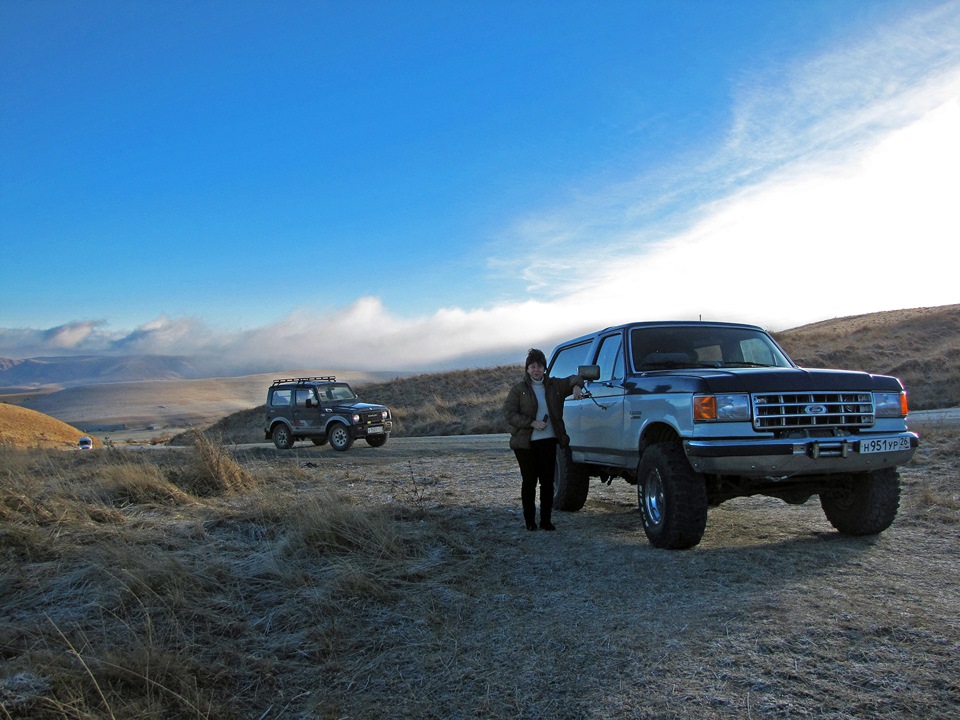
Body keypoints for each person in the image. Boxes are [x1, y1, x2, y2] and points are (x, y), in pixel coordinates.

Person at [503, 348, 584, 531]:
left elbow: (575, 378)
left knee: (547, 482)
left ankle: (546, 521)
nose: (536, 370)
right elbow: (508, 413)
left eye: (539, 366)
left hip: (548, 441)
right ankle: (530, 521)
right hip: (525, 443)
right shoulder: (518, 389)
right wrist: (531, 423)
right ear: (527, 369)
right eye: (532, 366)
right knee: (529, 481)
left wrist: (577, 386)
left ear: (544, 368)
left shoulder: (555, 385)